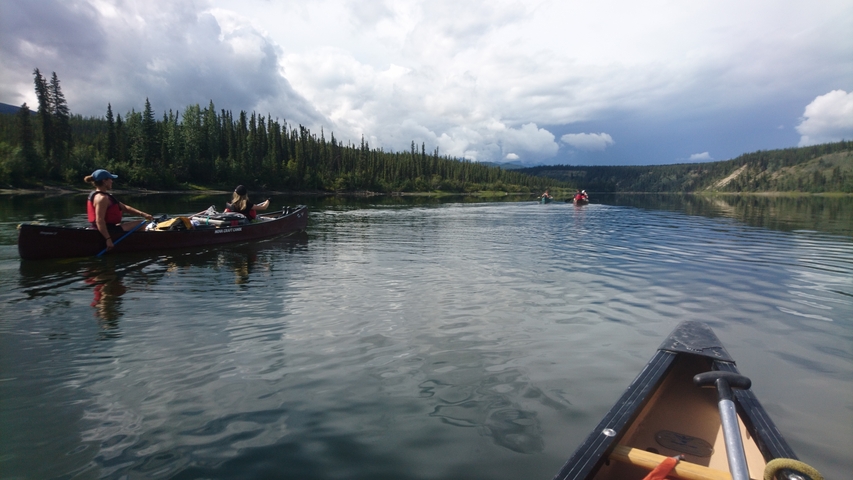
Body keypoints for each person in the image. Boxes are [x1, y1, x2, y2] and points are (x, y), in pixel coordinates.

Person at [85, 169, 153, 251]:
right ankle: (136, 246)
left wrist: (143, 214)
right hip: (108, 231)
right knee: (142, 224)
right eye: (110, 179)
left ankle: (128, 243)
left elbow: (124, 208)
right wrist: (108, 239)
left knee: (136, 222)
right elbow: (99, 221)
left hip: (110, 227)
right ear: (104, 181)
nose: (112, 181)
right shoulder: (101, 198)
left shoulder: (104, 196)